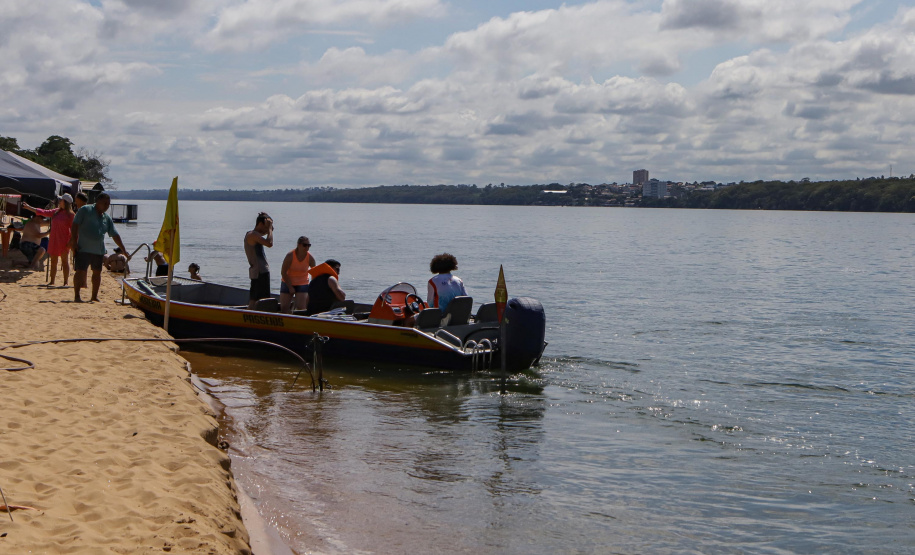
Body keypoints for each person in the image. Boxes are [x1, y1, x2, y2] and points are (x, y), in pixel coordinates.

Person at [69, 192, 129, 303]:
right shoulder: (85, 210)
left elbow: (114, 234)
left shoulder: (106, 218)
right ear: (98, 202)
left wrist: (124, 250)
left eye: (108, 204)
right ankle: (77, 296)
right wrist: (73, 241)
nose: (106, 206)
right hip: (83, 248)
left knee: (97, 273)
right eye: (105, 203)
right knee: (80, 271)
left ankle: (94, 296)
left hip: (98, 250)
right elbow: (75, 224)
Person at [22, 194, 76, 286]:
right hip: (54, 240)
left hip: (64, 241)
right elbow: (43, 212)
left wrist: (71, 242)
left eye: (61, 200)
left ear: (65, 202)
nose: (59, 201)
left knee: (64, 261)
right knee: (53, 261)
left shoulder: (71, 215)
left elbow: (74, 230)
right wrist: (28, 207)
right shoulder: (56, 212)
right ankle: (52, 281)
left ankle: (65, 282)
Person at [244, 212, 274, 309]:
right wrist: (269, 229)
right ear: (260, 224)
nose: (267, 230)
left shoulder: (256, 236)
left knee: (262, 299)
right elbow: (269, 243)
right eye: (266, 226)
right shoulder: (252, 235)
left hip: (262, 271)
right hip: (258, 272)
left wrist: (269, 226)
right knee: (254, 299)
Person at [279, 236, 316, 313]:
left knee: (301, 309)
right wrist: (290, 287)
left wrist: (313, 287)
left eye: (309, 245)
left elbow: (315, 273)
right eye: (304, 245)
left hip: (302, 283)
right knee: (284, 308)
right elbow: (283, 272)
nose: (307, 247)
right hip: (287, 281)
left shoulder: (310, 258)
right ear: (298, 245)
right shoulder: (290, 255)